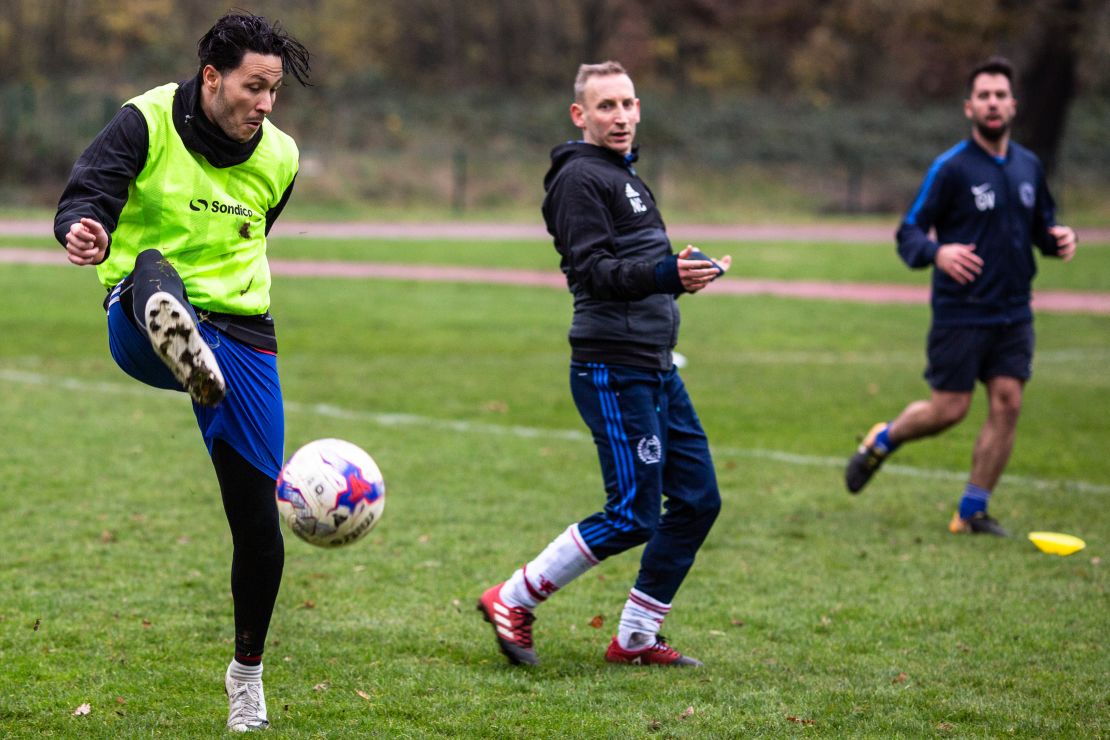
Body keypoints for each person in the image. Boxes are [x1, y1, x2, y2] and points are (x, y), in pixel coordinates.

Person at [54, 11, 310, 731]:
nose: (264, 103)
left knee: (259, 524)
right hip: (140, 318)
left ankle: (246, 676)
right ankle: (178, 334)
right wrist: (82, 228)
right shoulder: (145, 122)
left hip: (245, 338)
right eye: (253, 87)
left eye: (274, 90)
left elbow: (256, 232)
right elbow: (86, 195)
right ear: (210, 77)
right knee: (151, 272)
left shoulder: (281, 156)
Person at [477, 61, 732, 668]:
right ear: (580, 115)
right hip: (612, 367)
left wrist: (678, 274)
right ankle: (512, 598)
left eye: (627, 104)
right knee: (633, 513)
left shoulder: (625, 176)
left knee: (698, 500)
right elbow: (594, 273)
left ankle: (637, 638)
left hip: (655, 365)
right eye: (606, 106)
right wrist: (667, 272)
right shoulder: (578, 180)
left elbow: (636, 266)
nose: (620, 116)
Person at [844, 56, 1078, 536]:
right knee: (949, 410)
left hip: (1014, 311)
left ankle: (972, 512)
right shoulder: (950, 169)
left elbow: (1041, 228)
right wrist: (938, 251)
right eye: (984, 96)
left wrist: (1058, 239)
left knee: (1008, 401)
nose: (993, 103)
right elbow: (907, 233)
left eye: (1000, 95)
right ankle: (883, 439)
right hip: (961, 311)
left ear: (1013, 105)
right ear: (969, 107)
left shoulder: (1030, 166)